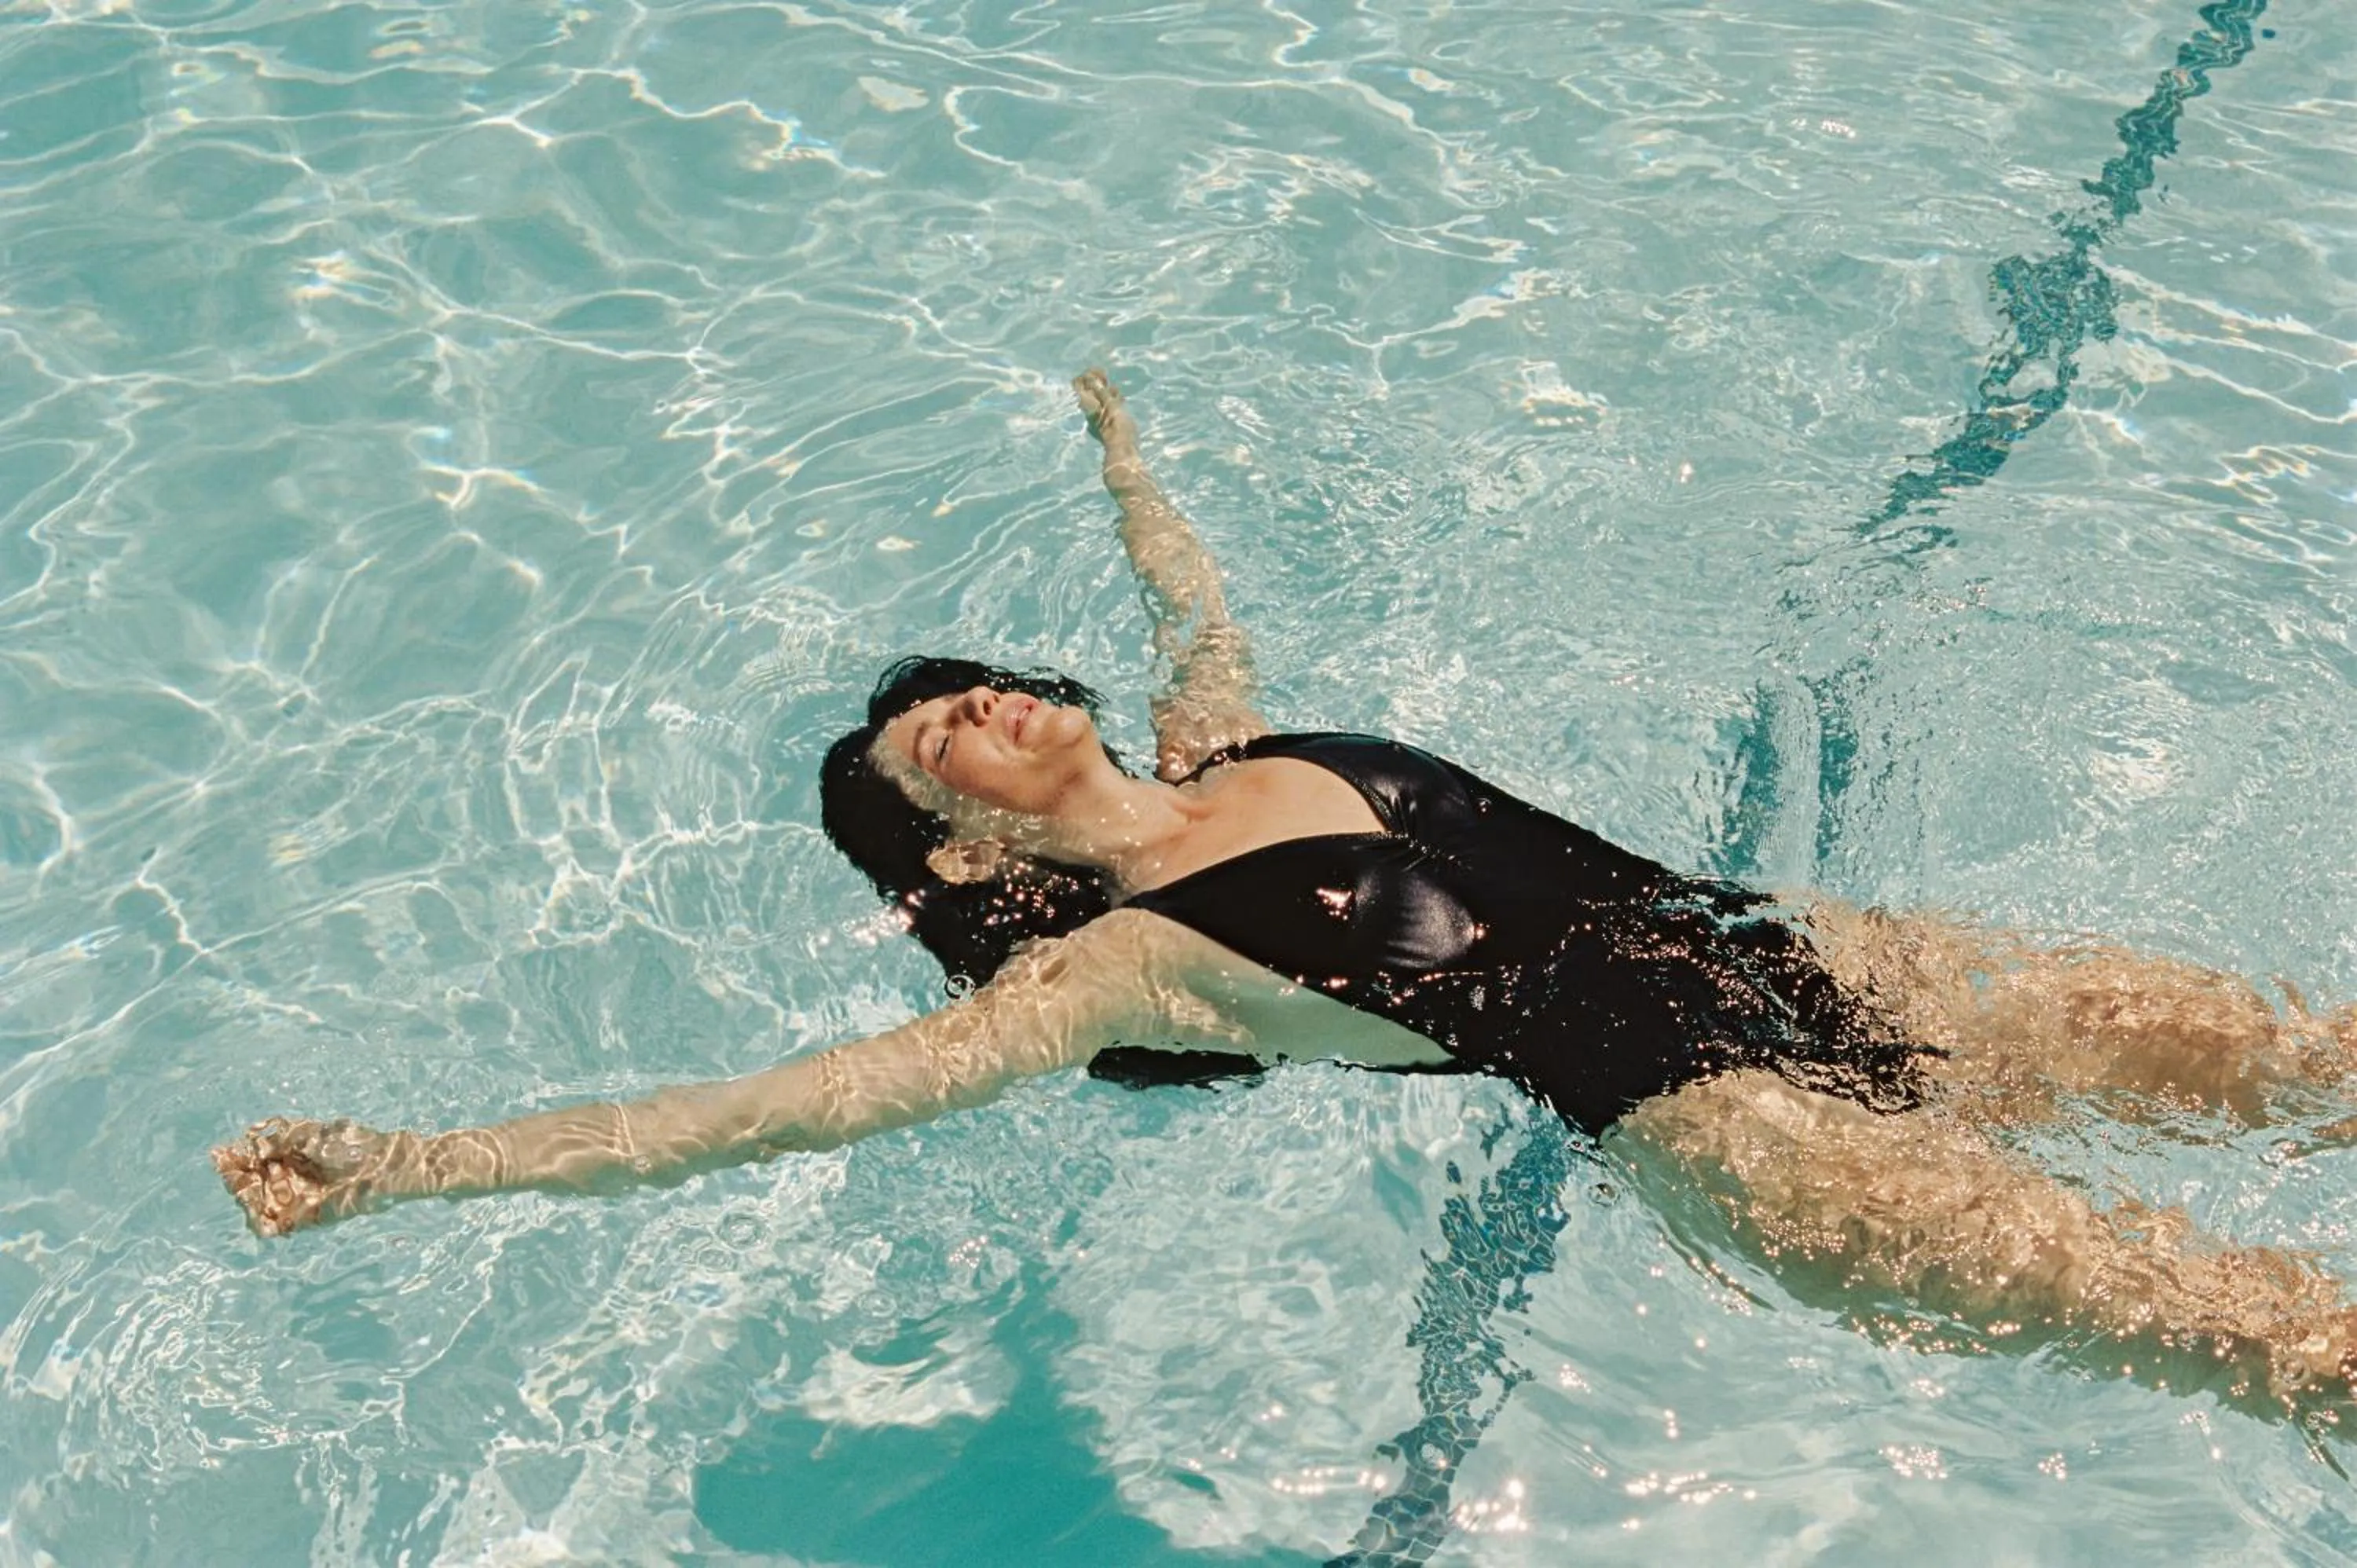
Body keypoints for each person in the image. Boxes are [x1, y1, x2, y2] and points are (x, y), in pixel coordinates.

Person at [217, 369, 2357, 1419]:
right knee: (2286, 1339)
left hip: (1805, 954)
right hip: (1733, 1130)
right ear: (967, 853)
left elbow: (1195, 611)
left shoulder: (1237, 747)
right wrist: (406, 1166)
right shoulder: (1122, 972)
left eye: (965, 683)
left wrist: (1125, 457)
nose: (972, 709)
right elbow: (758, 1112)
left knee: (2307, 1061)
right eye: (929, 745)